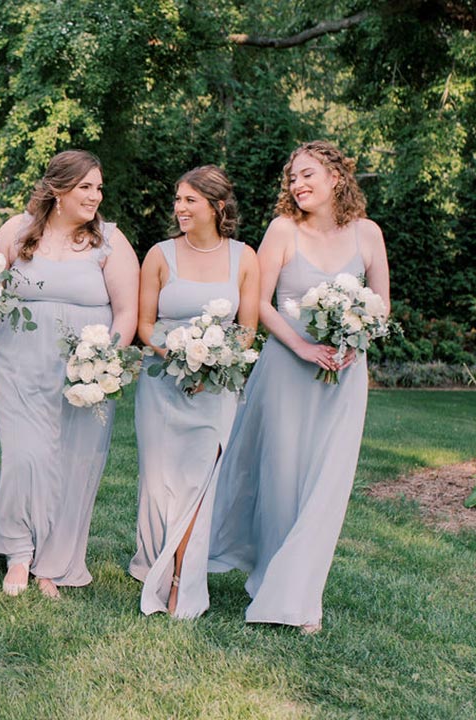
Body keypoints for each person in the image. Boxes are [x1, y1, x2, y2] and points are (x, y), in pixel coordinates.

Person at [208, 140, 390, 633]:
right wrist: (303, 348)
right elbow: (260, 302)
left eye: (307, 174)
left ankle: (301, 595)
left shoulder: (368, 234)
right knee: (282, 479)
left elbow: (380, 307)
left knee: (326, 484)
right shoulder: (283, 230)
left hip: (344, 378)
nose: (297, 184)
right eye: (292, 178)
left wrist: (357, 340)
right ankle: (271, 579)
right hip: (287, 371)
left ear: (336, 177)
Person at [0, 150, 138, 599]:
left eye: (98, 187)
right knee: (23, 458)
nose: (95, 196)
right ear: (57, 189)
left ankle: (52, 562)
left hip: (82, 374)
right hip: (17, 366)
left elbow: (127, 311)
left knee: (74, 464)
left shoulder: (110, 240)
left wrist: (103, 362)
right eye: (85, 187)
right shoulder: (16, 230)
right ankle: (17, 552)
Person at [129, 165, 259, 617]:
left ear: (217, 206)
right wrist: (177, 357)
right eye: (178, 200)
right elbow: (145, 325)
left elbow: (246, 330)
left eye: (190, 201)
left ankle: (182, 579)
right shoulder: (160, 255)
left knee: (198, 483)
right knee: (159, 482)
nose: (179, 208)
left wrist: (213, 361)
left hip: (215, 387)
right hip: (163, 382)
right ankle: (154, 564)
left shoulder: (245, 257)